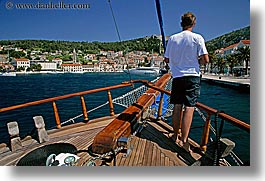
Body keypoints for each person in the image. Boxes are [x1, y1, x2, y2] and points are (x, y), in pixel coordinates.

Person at [164, 12, 209, 152]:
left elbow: (166, 59)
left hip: (177, 77)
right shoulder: (197, 38)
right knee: (189, 107)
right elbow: (205, 59)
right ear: (193, 24)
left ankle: (174, 135)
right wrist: (197, 61)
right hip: (192, 76)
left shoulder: (172, 39)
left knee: (177, 106)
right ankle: (184, 141)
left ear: (181, 23)